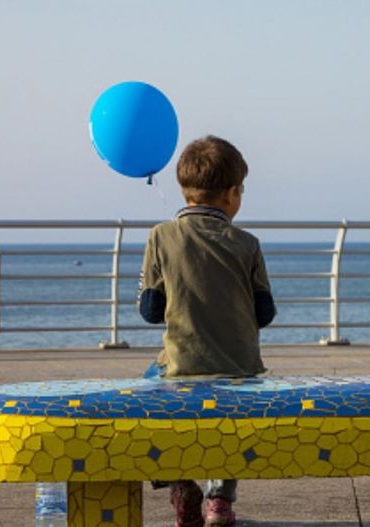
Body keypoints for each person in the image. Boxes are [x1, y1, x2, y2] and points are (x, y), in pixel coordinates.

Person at [138, 135, 276, 527]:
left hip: (181, 365)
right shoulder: (248, 244)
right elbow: (265, 312)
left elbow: (149, 311)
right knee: (229, 421)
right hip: (239, 367)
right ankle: (220, 501)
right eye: (241, 190)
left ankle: (180, 482)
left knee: (149, 393)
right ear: (231, 193)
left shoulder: (160, 236)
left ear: (185, 189)